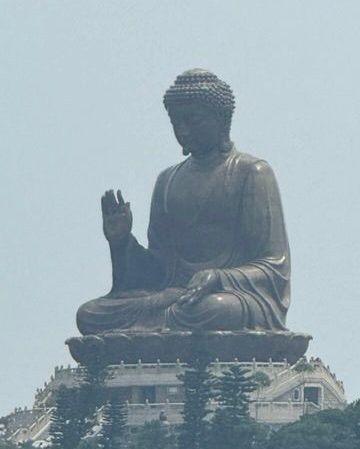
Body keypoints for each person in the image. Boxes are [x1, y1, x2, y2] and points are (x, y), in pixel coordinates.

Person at [76, 69, 291, 335]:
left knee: (214, 310)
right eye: (176, 123)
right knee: (89, 315)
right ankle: (158, 327)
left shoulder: (251, 172)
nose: (183, 130)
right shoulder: (167, 181)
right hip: (173, 299)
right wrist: (122, 243)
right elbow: (159, 271)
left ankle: (155, 330)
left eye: (194, 121)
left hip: (227, 297)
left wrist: (219, 277)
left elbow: (272, 266)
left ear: (221, 120)